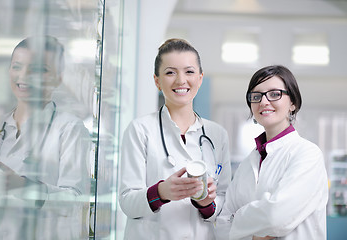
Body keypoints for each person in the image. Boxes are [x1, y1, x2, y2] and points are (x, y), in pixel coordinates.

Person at [119, 38, 231, 240]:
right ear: (157, 81)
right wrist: (161, 192)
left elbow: (224, 203)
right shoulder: (140, 129)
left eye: (189, 72)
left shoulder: (217, 135)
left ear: (200, 78)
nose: (181, 81)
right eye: (170, 72)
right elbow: (127, 202)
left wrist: (206, 202)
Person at [0, 36, 91, 239]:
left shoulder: (70, 128)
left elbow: (76, 201)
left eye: (38, 69)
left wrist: (23, 185)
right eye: (17, 66)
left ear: (58, 78)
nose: (24, 76)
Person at [214, 65, 329, 240]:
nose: (264, 101)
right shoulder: (247, 165)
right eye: (256, 96)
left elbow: (276, 216)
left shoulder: (307, 154)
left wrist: (237, 218)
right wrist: (254, 232)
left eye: (275, 94)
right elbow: (222, 224)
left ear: (293, 103)